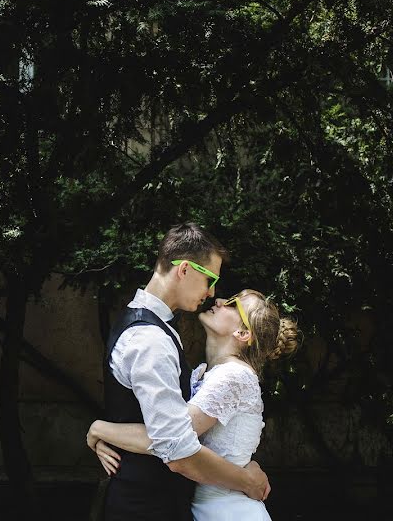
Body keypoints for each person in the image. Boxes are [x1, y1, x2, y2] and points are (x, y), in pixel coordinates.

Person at [93, 223, 271, 521]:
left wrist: (102, 430)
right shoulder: (150, 340)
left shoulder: (159, 329)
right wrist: (246, 480)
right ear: (184, 270)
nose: (213, 292)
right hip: (144, 507)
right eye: (209, 279)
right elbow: (176, 448)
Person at [88, 288, 300, 520]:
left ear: (242, 333)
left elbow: (170, 438)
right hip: (203, 505)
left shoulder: (233, 377)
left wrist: (100, 429)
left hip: (227, 510)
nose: (219, 300)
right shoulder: (210, 374)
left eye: (231, 303)